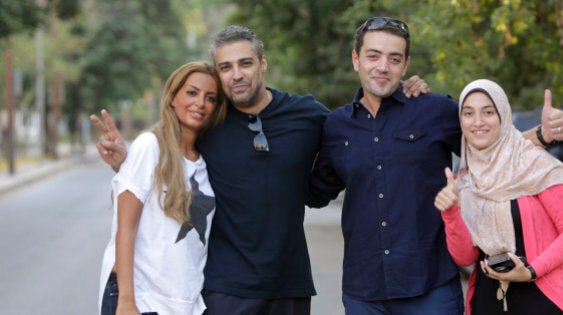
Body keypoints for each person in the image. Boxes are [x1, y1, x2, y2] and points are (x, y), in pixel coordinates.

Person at [93, 25, 427, 315]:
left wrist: (401, 90)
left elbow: (361, 127)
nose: (236, 74)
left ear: (262, 64)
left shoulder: (306, 114)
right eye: (225, 67)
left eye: (245, 63)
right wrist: (127, 159)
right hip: (224, 290)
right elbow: (170, 159)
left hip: (290, 285)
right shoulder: (211, 120)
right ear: (217, 72)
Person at [306, 17, 563, 314]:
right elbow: (316, 193)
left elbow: (496, 148)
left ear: (405, 66)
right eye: (373, 56)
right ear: (356, 59)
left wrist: (543, 134)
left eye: (394, 59)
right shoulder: (337, 126)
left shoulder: (435, 110)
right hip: (364, 291)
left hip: (430, 288)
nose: (383, 66)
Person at [434, 79, 563, 314]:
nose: (478, 122)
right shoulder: (465, 181)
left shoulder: (538, 165)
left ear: (503, 116)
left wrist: (531, 271)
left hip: (545, 300)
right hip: (489, 302)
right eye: (468, 113)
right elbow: (466, 257)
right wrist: (451, 212)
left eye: (488, 112)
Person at [95, 61, 227, 314]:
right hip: (142, 299)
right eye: (192, 92)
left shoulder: (204, 162)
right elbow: (127, 228)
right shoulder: (149, 146)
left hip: (185, 303)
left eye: (210, 98)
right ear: (172, 97)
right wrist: (126, 302)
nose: (200, 103)